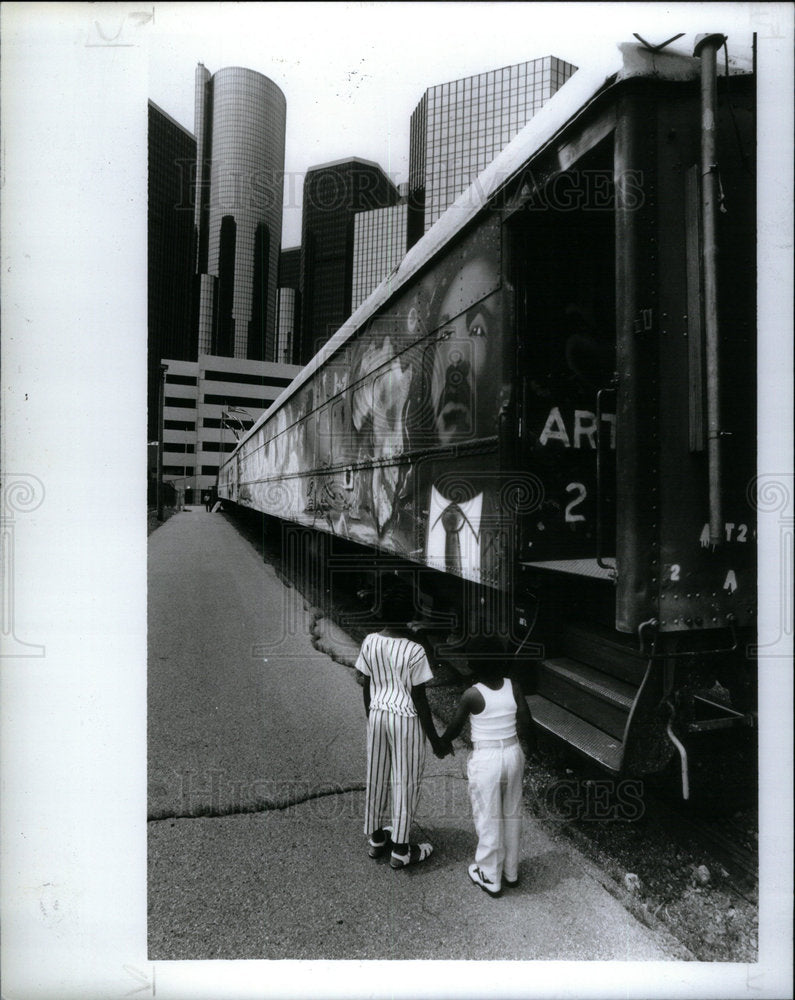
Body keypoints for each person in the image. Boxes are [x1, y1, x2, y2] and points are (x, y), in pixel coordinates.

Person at [355, 590, 449, 869]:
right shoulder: (415, 650)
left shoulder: (370, 642)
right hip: (405, 719)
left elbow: (366, 686)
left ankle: (376, 840)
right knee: (404, 781)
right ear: (410, 617)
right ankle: (401, 850)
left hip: (378, 714)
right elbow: (420, 698)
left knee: (377, 775)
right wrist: (436, 741)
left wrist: (371, 718)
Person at [440, 645, 534, 897]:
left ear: (473, 664)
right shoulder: (513, 686)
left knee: (488, 815)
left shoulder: (473, 694)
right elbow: (526, 721)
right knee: (512, 812)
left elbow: (454, 727)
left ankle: (489, 875)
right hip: (513, 752)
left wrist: (441, 744)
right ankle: (511, 872)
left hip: (487, 759)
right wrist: (528, 750)